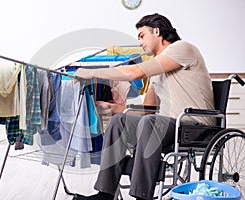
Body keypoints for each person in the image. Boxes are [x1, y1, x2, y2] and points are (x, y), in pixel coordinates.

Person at [72, 13, 215, 200]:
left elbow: (134, 73)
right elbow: (148, 107)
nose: (140, 42)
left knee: (150, 123)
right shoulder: (157, 67)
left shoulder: (183, 48)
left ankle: (141, 196)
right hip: (166, 126)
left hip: (194, 125)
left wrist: (92, 73)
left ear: (157, 31)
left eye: (142, 36)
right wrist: (117, 109)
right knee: (118, 122)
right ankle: (105, 194)